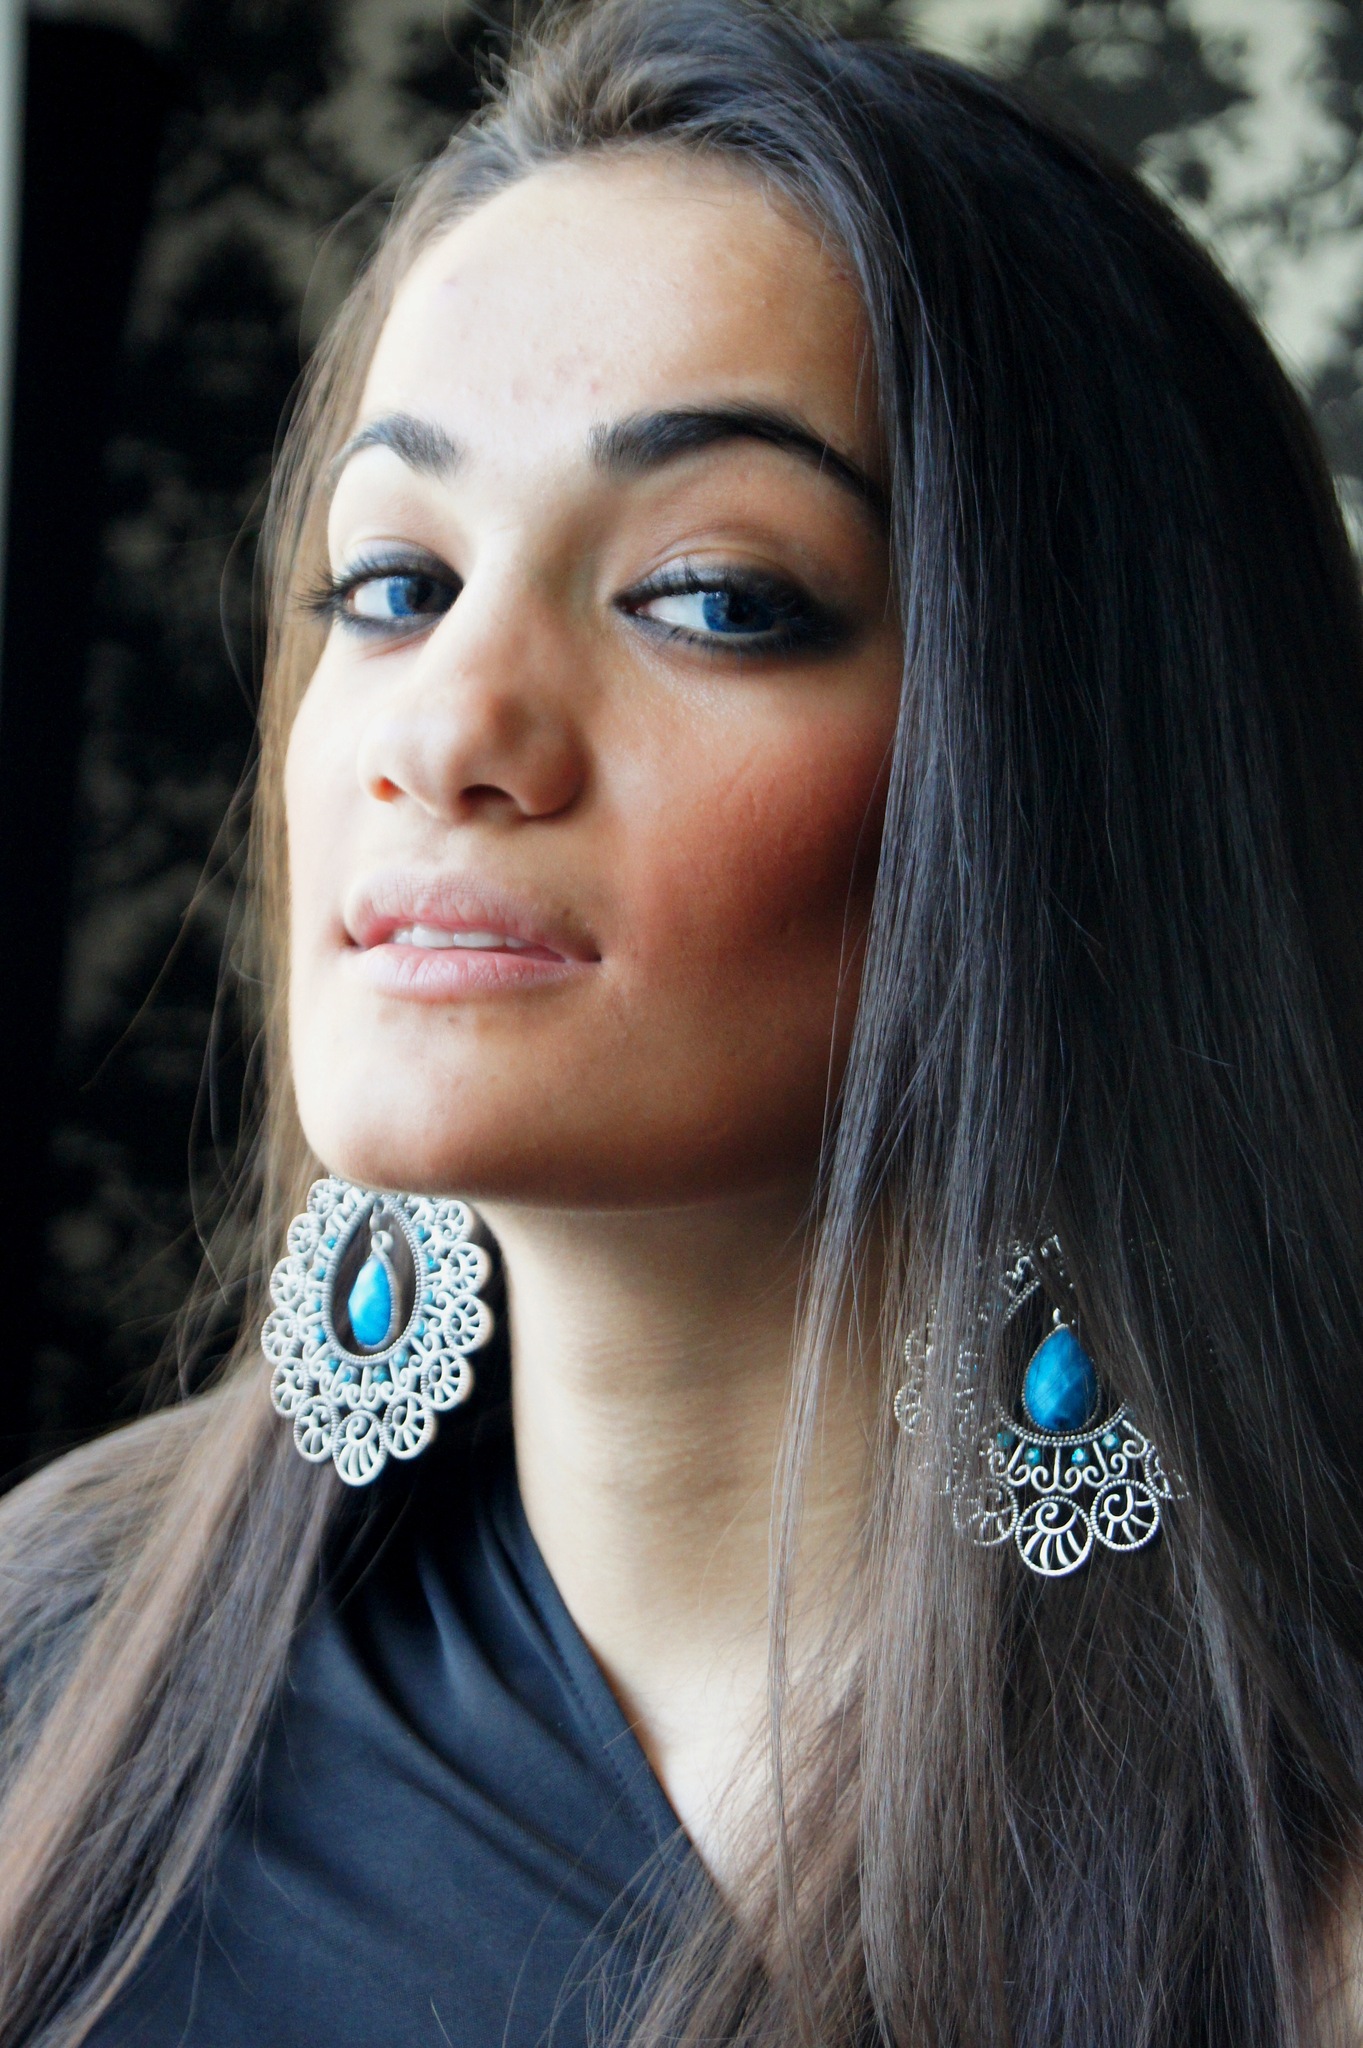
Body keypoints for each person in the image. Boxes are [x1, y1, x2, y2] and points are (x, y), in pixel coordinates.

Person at [4, 0, 1363, 2041]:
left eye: (715, 594)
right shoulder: (51, 1659)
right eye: (394, 583)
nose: (446, 728)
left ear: (1089, 770)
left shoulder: (1302, 1890)